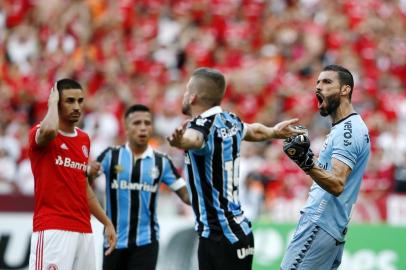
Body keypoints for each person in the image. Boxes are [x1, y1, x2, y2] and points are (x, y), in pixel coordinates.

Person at [167, 67, 305, 270]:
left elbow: (196, 139)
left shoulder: (201, 126)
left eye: (187, 90)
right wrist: (274, 131)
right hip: (240, 232)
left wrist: (182, 141)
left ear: (194, 96)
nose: (185, 94)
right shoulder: (230, 120)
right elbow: (254, 131)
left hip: (217, 236)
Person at [281, 64, 371, 269]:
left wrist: (305, 161)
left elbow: (338, 184)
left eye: (327, 82)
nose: (318, 87)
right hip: (329, 227)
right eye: (317, 83)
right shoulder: (346, 126)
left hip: (320, 223)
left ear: (345, 89)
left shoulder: (348, 131)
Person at [87, 104, 190, 270]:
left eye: (147, 123)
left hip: (146, 242)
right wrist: (90, 174)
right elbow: (87, 183)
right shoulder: (110, 156)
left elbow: (186, 196)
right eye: (137, 123)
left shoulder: (162, 161)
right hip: (113, 241)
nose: (143, 127)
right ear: (126, 128)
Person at [28, 79, 116, 270]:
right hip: (53, 229)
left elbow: (84, 189)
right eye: (69, 101)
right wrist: (51, 104)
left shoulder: (83, 139)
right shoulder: (40, 132)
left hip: (84, 230)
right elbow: (50, 129)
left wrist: (106, 222)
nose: (77, 106)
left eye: (80, 100)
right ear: (57, 101)